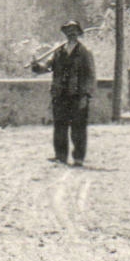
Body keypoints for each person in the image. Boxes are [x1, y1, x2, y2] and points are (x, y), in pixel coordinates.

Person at [31, 21, 96, 166]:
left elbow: (90, 76)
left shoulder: (85, 52)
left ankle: (78, 158)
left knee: (78, 128)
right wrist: (36, 67)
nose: (71, 33)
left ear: (78, 33)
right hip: (60, 95)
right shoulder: (58, 52)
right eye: (68, 30)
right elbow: (47, 68)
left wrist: (86, 95)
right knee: (60, 127)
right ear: (65, 33)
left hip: (77, 95)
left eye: (74, 30)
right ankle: (60, 156)